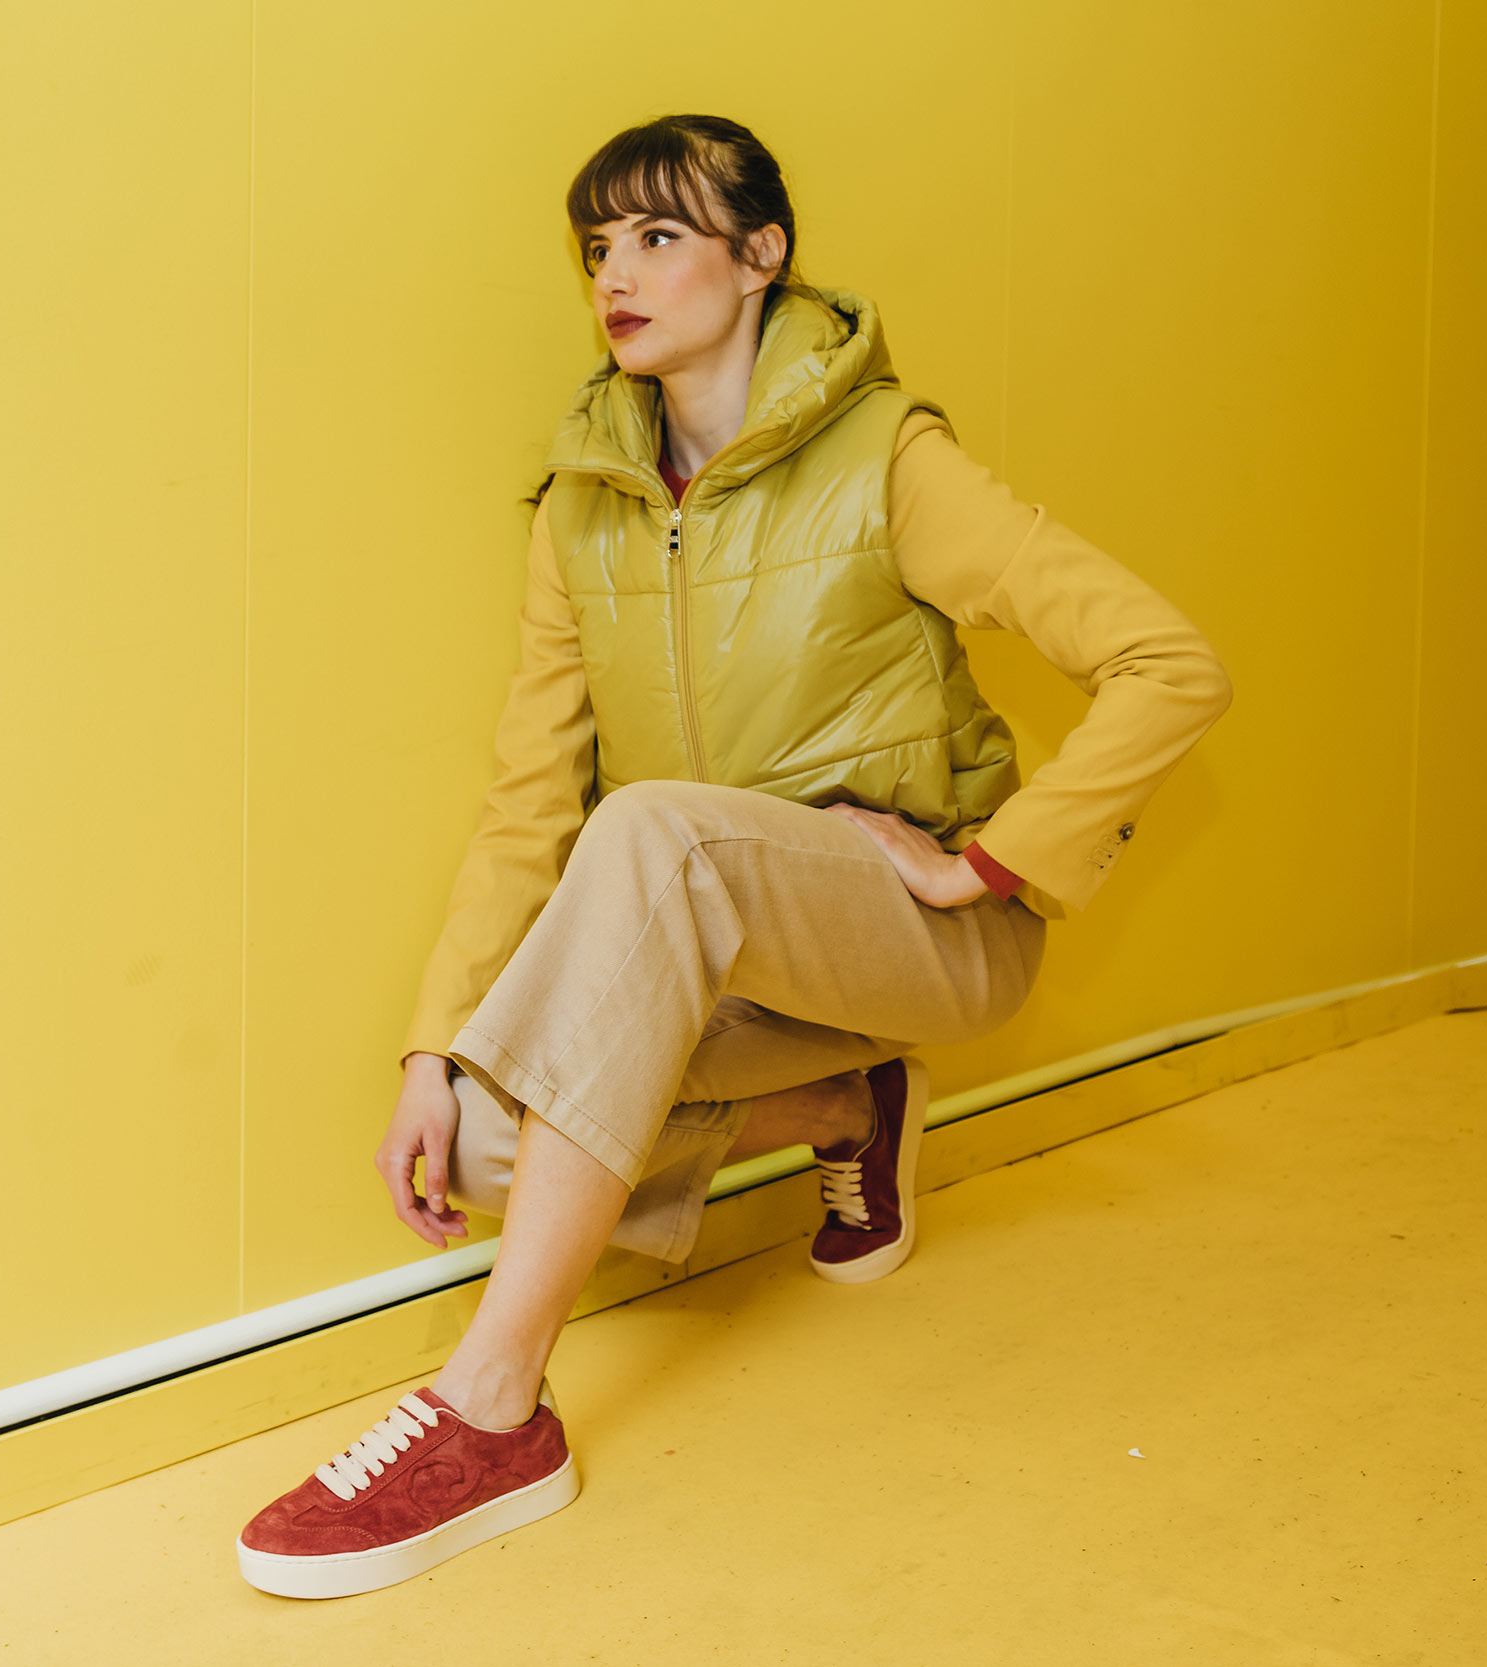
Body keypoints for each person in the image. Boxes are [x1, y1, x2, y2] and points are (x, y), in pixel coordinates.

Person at [236, 114, 1232, 1600]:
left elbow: (1168, 663)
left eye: (659, 237)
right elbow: (530, 803)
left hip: (924, 943)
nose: (616, 276)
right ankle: (844, 1102)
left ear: (762, 256)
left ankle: (493, 1406)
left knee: (654, 828)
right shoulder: (581, 514)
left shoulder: (888, 461)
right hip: (732, 963)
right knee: (495, 1142)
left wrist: (988, 868)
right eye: (597, 246)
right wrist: (433, 1048)